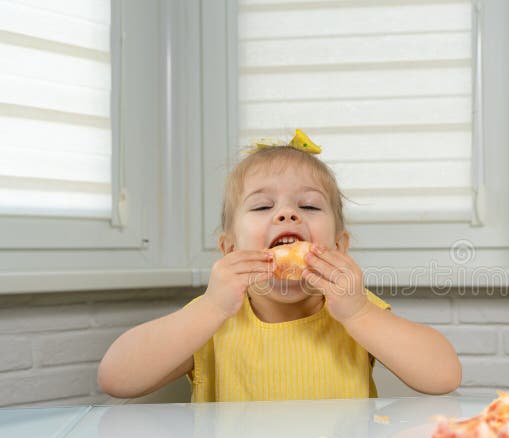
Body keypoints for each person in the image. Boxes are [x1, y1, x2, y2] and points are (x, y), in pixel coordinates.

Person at [98, 130, 461, 401]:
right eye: (261, 207)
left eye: (309, 206)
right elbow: (116, 379)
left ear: (339, 247)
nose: (287, 213)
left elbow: (444, 376)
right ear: (228, 250)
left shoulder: (352, 309)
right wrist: (210, 307)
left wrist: (360, 313)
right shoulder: (213, 319)